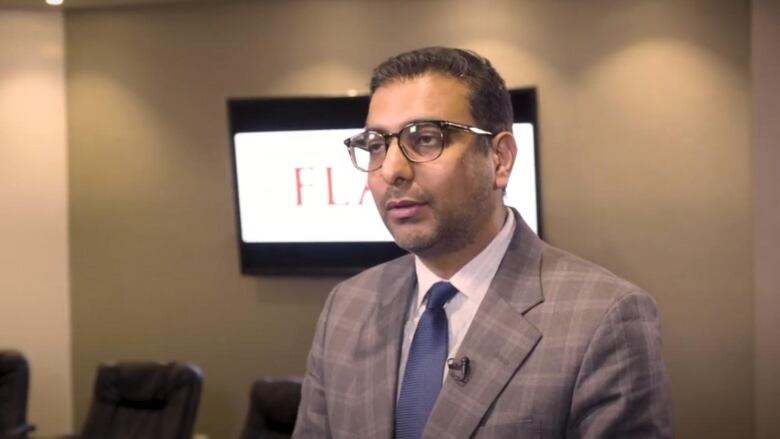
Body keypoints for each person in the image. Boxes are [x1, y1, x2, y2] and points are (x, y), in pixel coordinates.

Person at [293, 47, 673, 439]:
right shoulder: (346, 307)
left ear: (500, 159)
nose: (391, 170)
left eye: (425, 139)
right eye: (376, 145)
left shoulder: (605, 319)